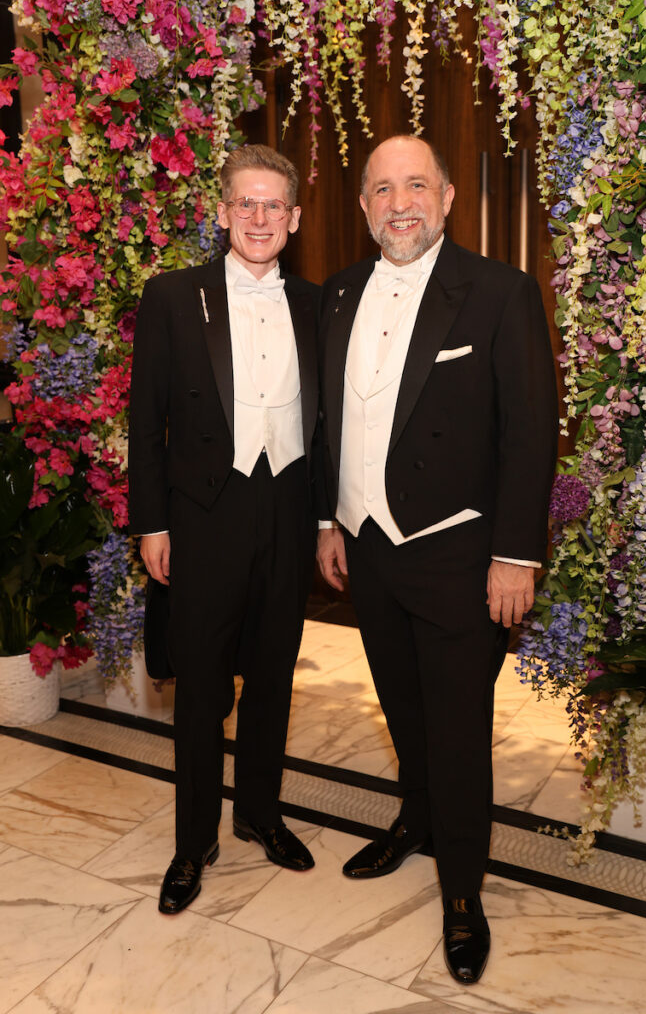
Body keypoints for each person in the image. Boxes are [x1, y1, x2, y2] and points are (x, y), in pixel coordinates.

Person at [316, 135, 557, 983]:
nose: (399, 202)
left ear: (448, 196)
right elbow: (327, 423)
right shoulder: (340, 293)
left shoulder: (499, 292)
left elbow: (529, 434)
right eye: (381, 189)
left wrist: (515, 555)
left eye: (415, 184)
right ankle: (412, 821)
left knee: (456, 732)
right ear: (363, 207)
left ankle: (461, 891)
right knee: (401, 707)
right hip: (367, 548)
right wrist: (328, 519)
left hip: (458, 553)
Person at [129, 144, 319, 915]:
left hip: (289, 507)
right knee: (203, 686)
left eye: (274, 204)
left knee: (274, 673)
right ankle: (191, 841)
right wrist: (151, 523)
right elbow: (146, 421)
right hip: (204, 513)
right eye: (246, 202)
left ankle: (260, 814)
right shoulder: (173, 296)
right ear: (221, 212)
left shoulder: (317, 302)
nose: (259, 217)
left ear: (295, 217)